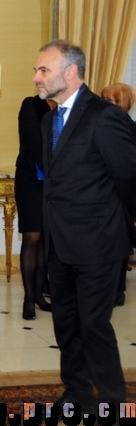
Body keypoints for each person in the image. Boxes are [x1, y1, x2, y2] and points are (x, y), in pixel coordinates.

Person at [33, 40, 136, 413]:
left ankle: (112, 400)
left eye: (43, 70)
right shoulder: (49, 120)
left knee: (94, 327)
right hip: (60, 243)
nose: (36, 77)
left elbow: (130, 178)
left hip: (100, 243)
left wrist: (125, 232)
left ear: (71, 72)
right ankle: (77, 394)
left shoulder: (104, 116)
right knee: (67, 326)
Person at [14, 95, 54, 320]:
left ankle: (39, 294)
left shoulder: (67, 106)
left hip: (55, 181)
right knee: (31, 236)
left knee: (46, 239)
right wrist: (55, 168)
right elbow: (33, 141)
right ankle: (29, 298)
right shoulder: (30, 104)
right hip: (31, 178)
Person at [101, 82, 136, 307]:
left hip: (123, 199)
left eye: (110, 100)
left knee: (119, 246)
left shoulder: (131, 129)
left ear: (123, 103)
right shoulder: (101, 126)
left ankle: (116, 291)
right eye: (104, 99)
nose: (105, 105)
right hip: (104, 197)